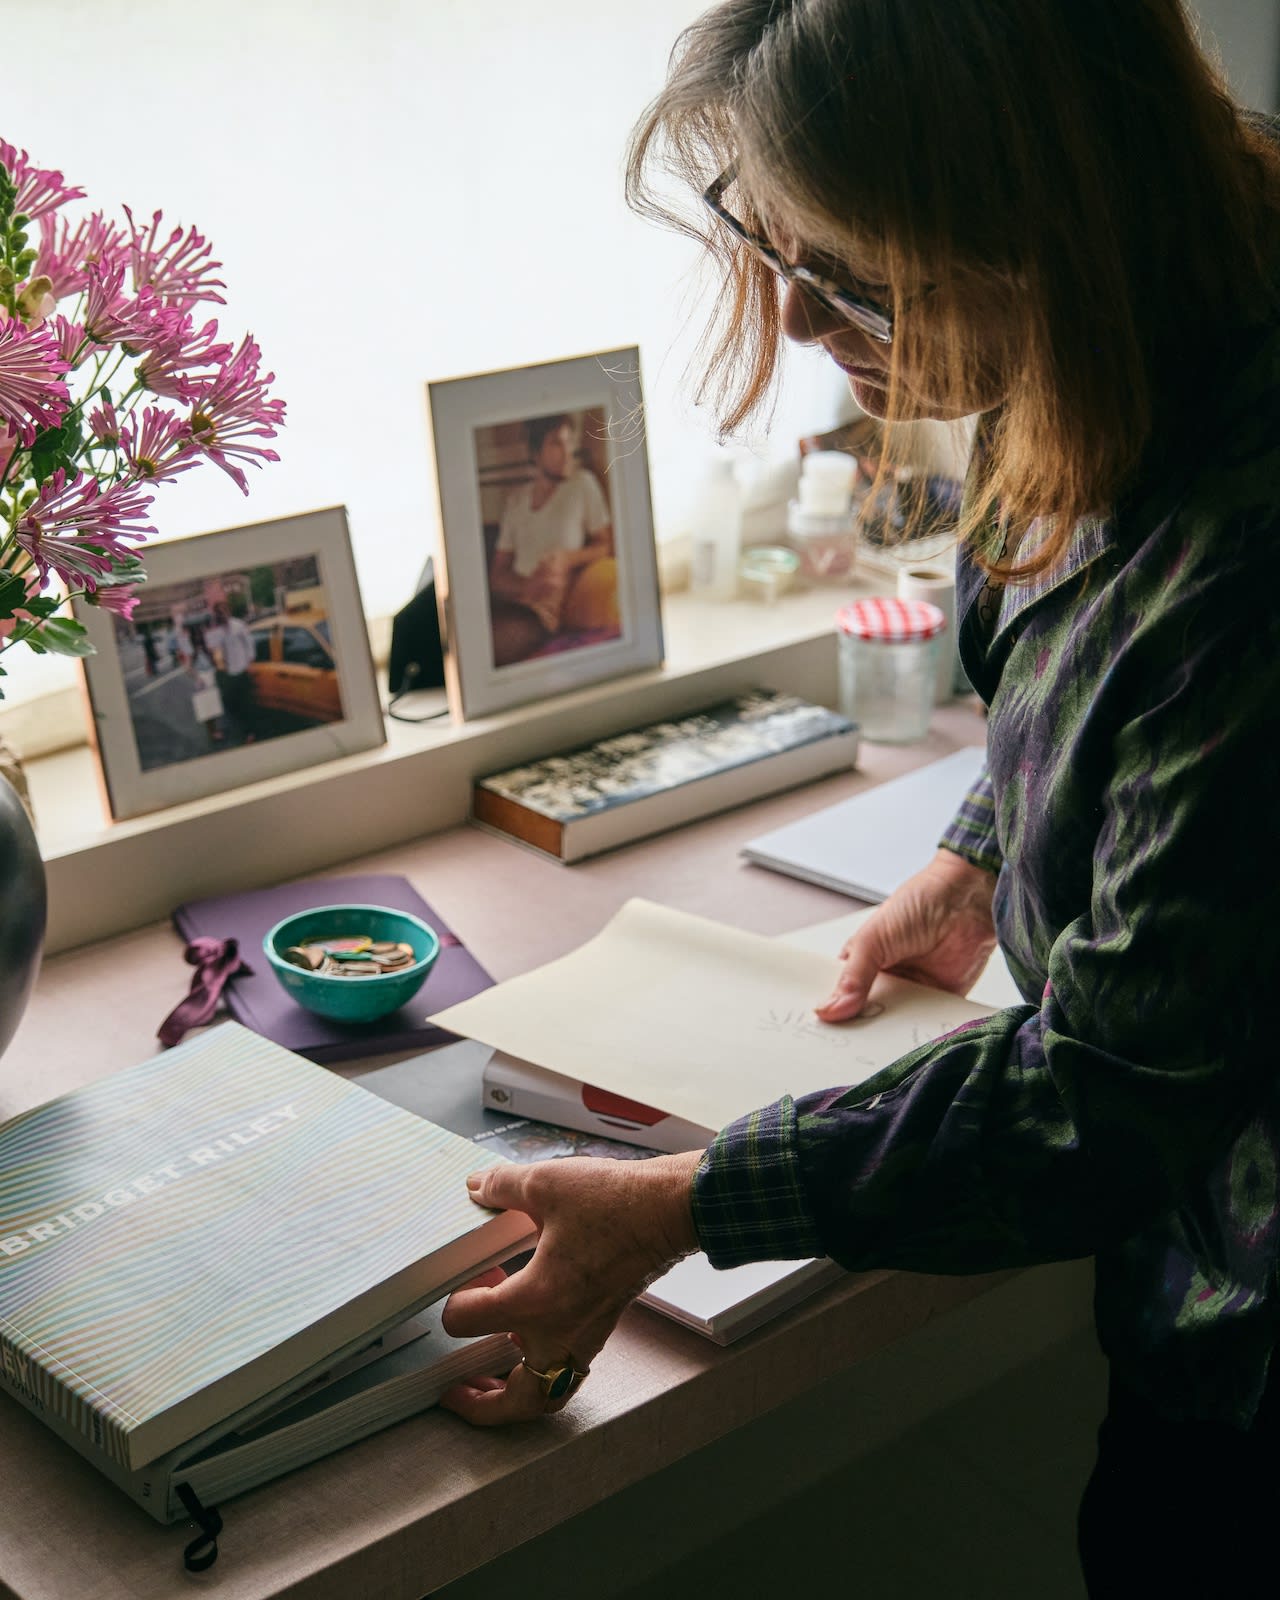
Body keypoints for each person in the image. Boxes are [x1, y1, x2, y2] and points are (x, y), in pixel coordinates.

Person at [439, 4, 1280, 1592]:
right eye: (767, 243)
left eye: (846, 277)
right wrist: (983, 853)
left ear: (1033, 231)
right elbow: (1097, 660)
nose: (803, 322)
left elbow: (1106, 1101)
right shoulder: (1151, 299)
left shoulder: (1252, 551)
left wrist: (689, 1201)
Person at [487, 413, 618, 666]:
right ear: (536, 452)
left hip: (539, 614)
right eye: (557, 443)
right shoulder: (516, 500)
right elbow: (497, 576)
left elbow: (605, 546)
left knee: (498, 640)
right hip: (510, 602)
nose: (568, 451)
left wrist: (568, 559)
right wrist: (527, 586)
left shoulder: (583, 485)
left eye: (570, 442)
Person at [204, 599, 256, 746]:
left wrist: (250, 663)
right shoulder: (217, 631)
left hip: (242, 669)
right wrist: (210, 629)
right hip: (228, 673)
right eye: (218, 612)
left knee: (247, 704)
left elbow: (249, 643)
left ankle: (250, 733)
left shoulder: (238, 625)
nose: (222, 614)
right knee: (233, 705)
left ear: (228, 611)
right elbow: (210, 646)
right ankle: (242, 730)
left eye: (224, 610)